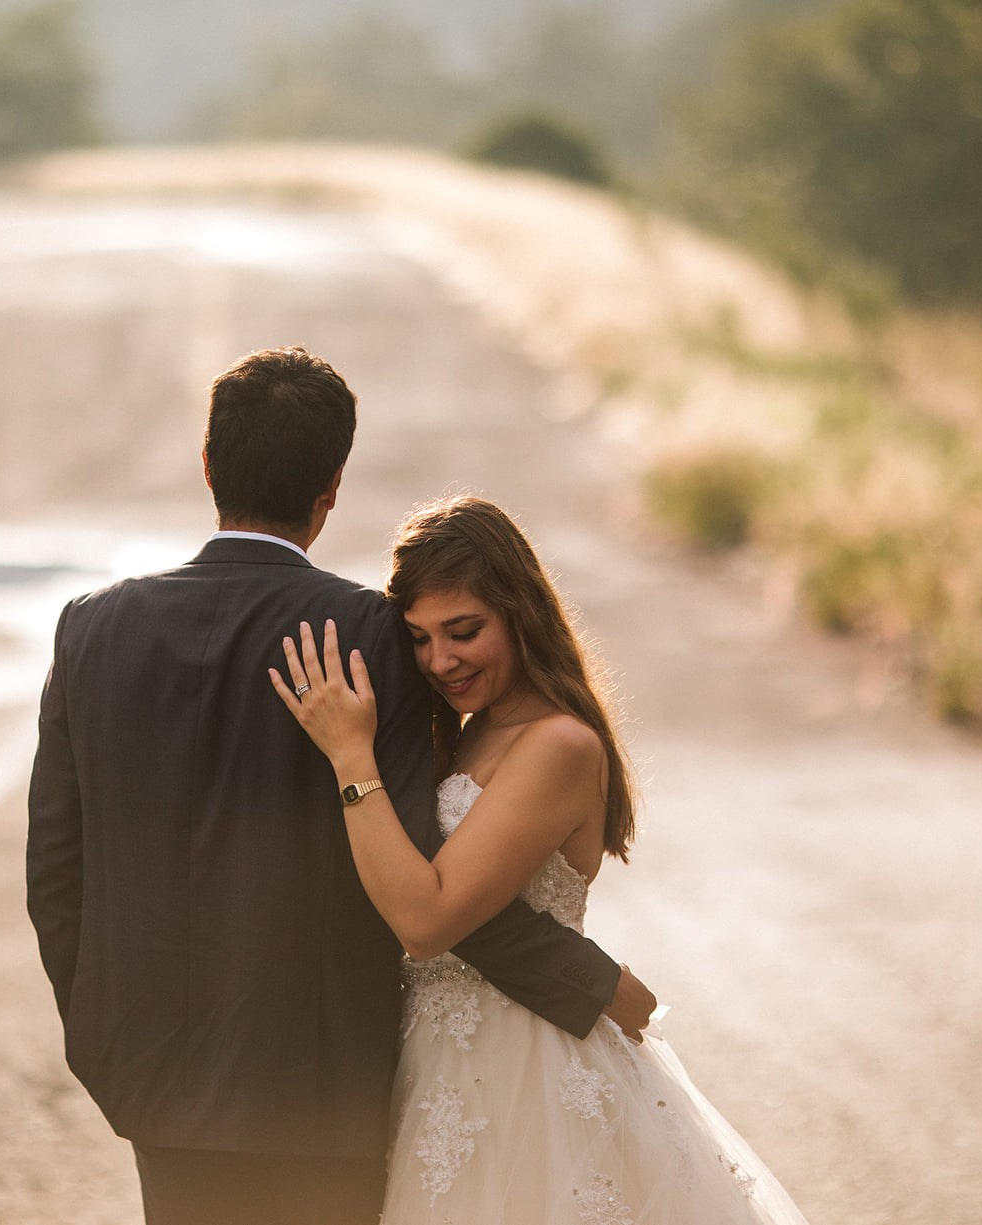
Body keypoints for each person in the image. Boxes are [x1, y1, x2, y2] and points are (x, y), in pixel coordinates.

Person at [26, 347, 655, 1225]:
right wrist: (584, 981)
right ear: (332, 486)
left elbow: (57, 872)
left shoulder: (90, 630)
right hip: (326, 1082)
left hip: (157, 1075)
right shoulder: (361, 630)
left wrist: (106, 1030)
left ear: (208, 465)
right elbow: (421, 857)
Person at [271, 495, 813, 1224]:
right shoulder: (467, 732)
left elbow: (427, 918)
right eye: (421, 639)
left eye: (464, 631)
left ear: (519, 612)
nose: (442, 660)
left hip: (528, 1067)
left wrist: (349, 752)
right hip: (432, 1064)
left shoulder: (559, 744)